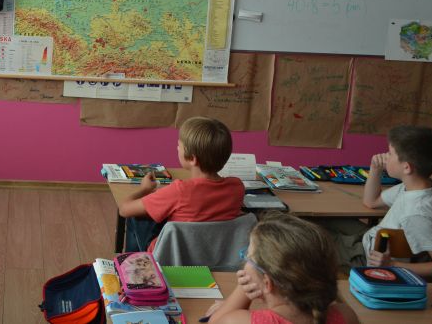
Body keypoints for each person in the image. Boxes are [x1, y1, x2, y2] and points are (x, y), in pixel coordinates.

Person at [117, 116, 244, 252]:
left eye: (180, 146)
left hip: (170, 254)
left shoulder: (179, 191)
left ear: (192, 159)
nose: (177, 148)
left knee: (136, 216)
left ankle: (133, 262)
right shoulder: (237, 187)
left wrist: (144, 189)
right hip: (211, 253)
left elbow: (124, 209)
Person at [208, 213, 360, 324]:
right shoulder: (346, 315)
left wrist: (243, 290)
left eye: (247, 255)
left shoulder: (239, 321)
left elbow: (215, 321)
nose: (245, 259)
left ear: (267, 283)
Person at [360, 125, 432, 278]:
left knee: (320, 231)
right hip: (371, 239)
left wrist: (392, 265)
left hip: (371, 259)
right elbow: (371, 201)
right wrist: (375, 168)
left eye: (390, 153)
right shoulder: (417, 187)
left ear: (407, 167)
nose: (385, 156)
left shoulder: (415, 213)